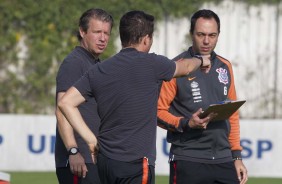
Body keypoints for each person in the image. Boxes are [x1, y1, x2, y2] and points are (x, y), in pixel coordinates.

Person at [57, 10, 211, 184]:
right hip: (135, 163)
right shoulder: (153, 63)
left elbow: (65, 103)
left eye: (105, 33)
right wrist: (201, 60)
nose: (102, 37)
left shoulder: (100, 69)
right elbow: (187, 67)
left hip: (105, 163)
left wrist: (90, 139)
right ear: (146, 39)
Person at [157, 9, 248, 184]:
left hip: (223, 159)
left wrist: (236, 156)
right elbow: (158, 113)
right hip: (188, 158)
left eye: (212, 35)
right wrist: (186, 123)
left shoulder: (225, 66)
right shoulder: (176, 68)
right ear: (191, 34)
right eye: (201, 34)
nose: (206, 41)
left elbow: (233, 115)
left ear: (218, 35)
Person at [55, 8, 113, 184]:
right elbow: (61, 109)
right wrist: (73, 151)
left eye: (106, 33)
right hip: (79, 161)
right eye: (97, 32)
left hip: (94, 158)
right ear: (82, 31)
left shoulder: (95, 63)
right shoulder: (74, 63)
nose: (102, 38)